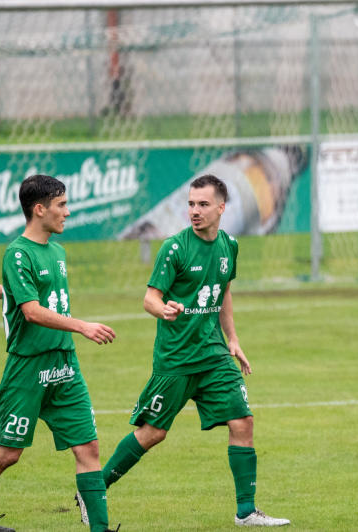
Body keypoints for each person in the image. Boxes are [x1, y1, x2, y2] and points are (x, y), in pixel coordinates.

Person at [98, 174, 289, 528]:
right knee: (153, 433)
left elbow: (224, 290)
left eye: (203, 204)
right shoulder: (175, 248)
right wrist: (163, 310)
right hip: (176, 358)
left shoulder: (229, 245)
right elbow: (150, 298)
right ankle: (95, 488)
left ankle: (246, 512)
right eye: (190, 204)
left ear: (221, 208)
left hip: (214, 355)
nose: (195, 211)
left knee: (243, 421)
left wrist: (233, 339)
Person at [0, 174, 118, 532]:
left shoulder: (57, 251)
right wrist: (82, 326)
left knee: (88, 447)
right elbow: (31, 311)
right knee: (8, 454)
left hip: (64, 365)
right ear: (39, 209)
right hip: (28, 368)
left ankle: (100, 529)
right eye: (61, 204)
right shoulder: (17, 253)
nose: (68, 212)